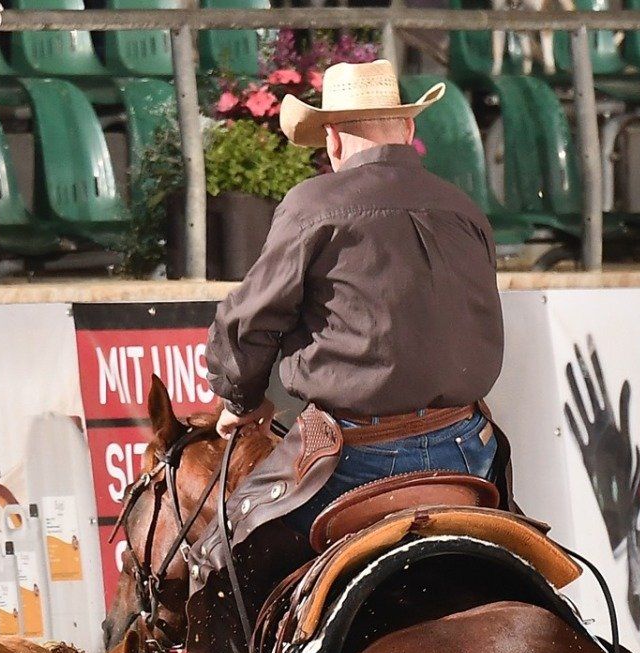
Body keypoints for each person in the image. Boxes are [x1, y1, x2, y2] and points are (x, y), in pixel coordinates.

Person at [205, 59, 506, 545]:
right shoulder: (463, 207)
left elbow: (250, 320)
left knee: (220, 552)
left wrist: (241, 398)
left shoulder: (314, 205)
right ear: (407, 128)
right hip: (468, 447)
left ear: (333, 140)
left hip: (357, 457)